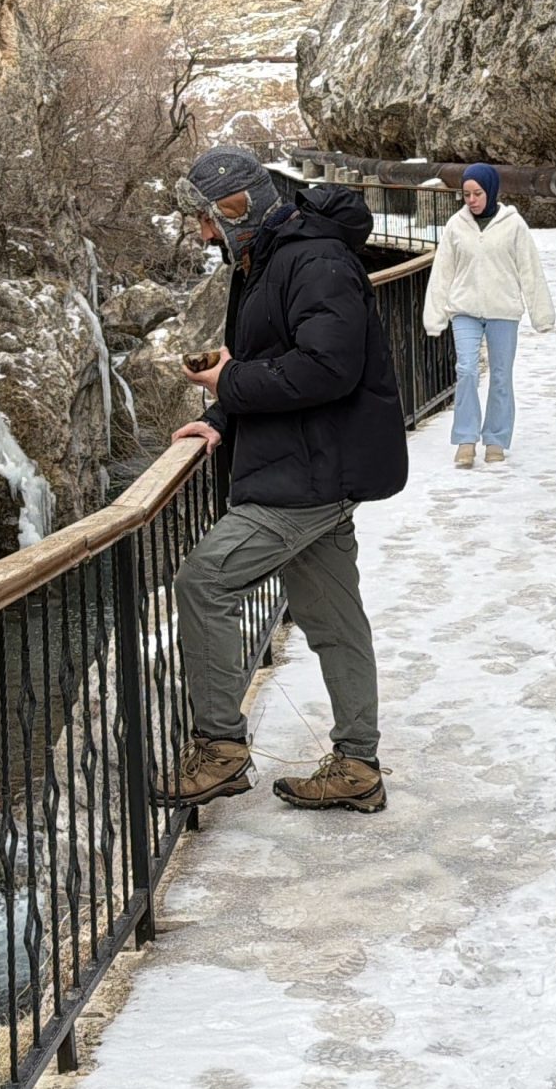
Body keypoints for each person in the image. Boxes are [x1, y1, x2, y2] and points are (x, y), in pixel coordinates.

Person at [159, 146, 408, 814]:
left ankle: (220, 748)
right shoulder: (270, 257)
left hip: (311, 470)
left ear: (240, 208)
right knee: (332, 620)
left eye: (211, 220)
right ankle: (357, 766)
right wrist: (220, 415)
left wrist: (227, 382)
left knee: (204, 580)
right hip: (307, 460)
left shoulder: (313, 259)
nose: (206, 234)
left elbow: (329, 368)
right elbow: (271, 359)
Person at [421, 163, 555, 467]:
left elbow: (530, 271)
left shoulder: (513, 224)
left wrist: (541, 315)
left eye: (477, 193)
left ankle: (495, 438)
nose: (471, 200)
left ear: (491, 191)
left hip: (502, 310)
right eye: (466, 194)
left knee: (500, 376)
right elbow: (442, 273)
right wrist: (435, 316)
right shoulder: (456, 225)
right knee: (466, 369)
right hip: (464, 309)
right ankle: (466, 439)